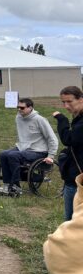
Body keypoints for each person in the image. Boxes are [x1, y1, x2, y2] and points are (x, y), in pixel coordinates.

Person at [0, 98, 58, 196]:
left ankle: (16, 186)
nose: (19, 109)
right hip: (23, 148)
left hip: (39, 150)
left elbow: (52, 138)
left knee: (13, 156)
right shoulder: (18, 117)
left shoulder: (39, 119)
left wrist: (51, 155)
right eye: (18, 107)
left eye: (22, 108)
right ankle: (7, 184)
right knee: (3, 154)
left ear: (30, 108)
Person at [53, 86, 83, 221]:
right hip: (74, 175)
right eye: (63, 102)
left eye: (69, 101)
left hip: (77, 179)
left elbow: (68, 139)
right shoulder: (79, 117)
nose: (66, 106)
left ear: (81, 100)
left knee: (71, 221)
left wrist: (62, 121)